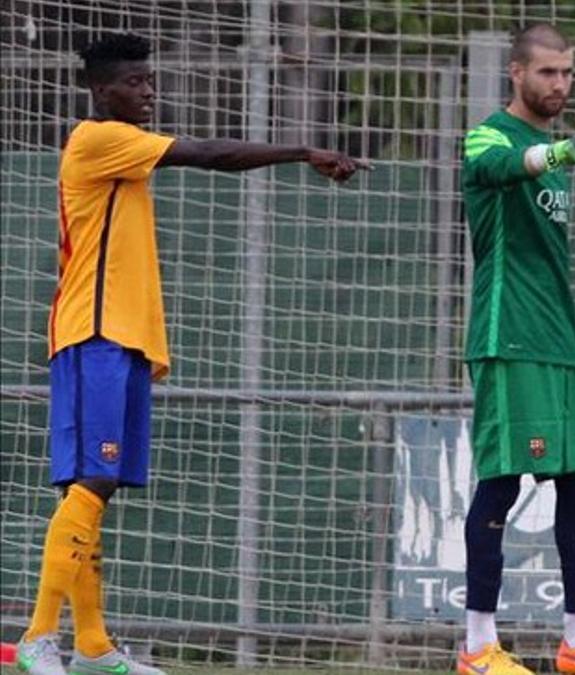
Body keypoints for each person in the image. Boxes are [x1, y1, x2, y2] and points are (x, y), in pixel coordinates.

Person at [16, 32, 366, 675]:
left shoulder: (124, 150)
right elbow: (208, 153)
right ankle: (39, 636)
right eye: (135, 82)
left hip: (119, 339)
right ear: (101, 90)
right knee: (91, 481)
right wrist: (303, 148)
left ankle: (92, 648)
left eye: (151, 80)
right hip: (94, 335)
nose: (149, 91)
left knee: (96, 486)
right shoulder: (98, 139)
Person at [457, 23, 575, 675]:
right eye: (547, 72)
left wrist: (560, 152)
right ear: (516, 73)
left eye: (568, 73)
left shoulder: (551, 147)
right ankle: (478, 646)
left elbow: (541, 161)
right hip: (507, 334)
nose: (560, 84)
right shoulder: (492, 133)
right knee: (502, 480)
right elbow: (495, 165)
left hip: (560, 340)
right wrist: (562, 153)